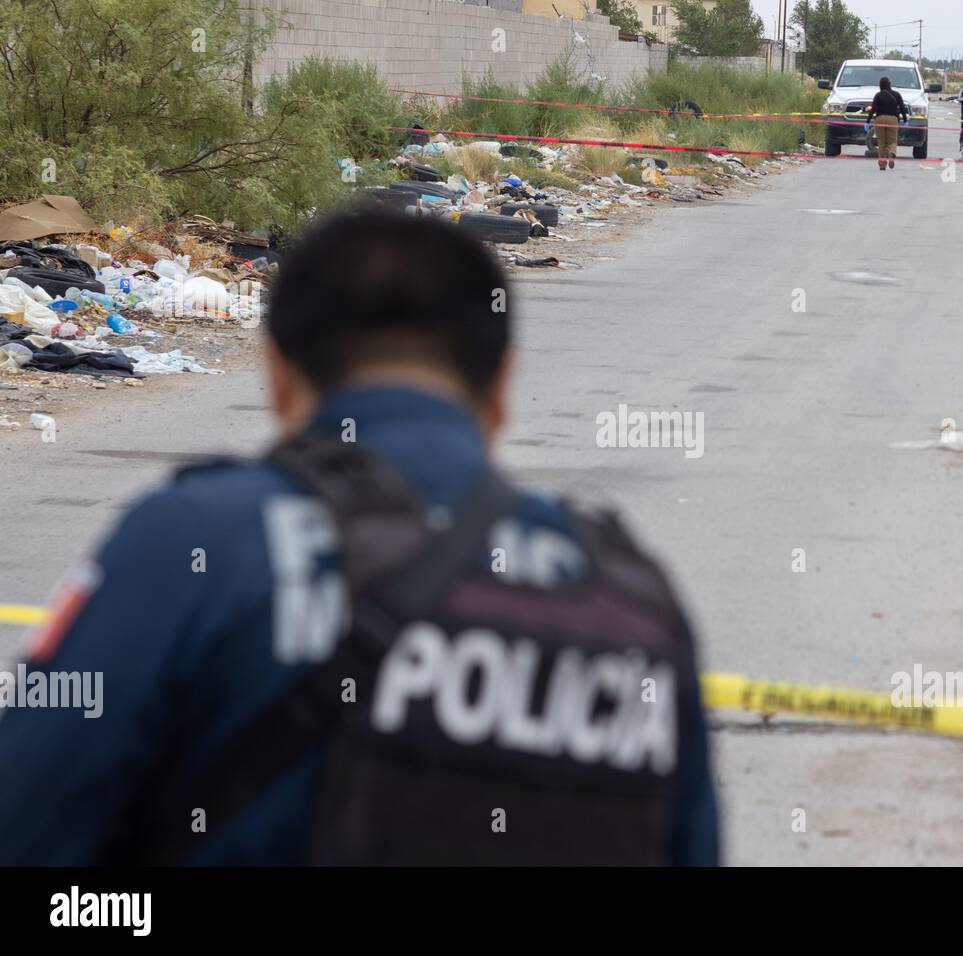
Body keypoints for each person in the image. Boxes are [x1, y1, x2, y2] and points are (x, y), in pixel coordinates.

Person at [0, 205, 720, 866]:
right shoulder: (631, 604)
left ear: (278, 375)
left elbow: (30, 817)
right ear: (503, 389)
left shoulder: (197, 546)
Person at [865, 75, 908, 171]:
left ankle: (882, 164)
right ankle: (892, 153)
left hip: (879, 119)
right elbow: (902, 108)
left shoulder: (878, 95)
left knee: (881, 142)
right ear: (890, 84)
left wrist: (867, 121)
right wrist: (905, 120)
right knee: (892, 141)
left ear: (880, 85)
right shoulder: (897, 94)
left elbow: (873, 109)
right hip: (893, 120)